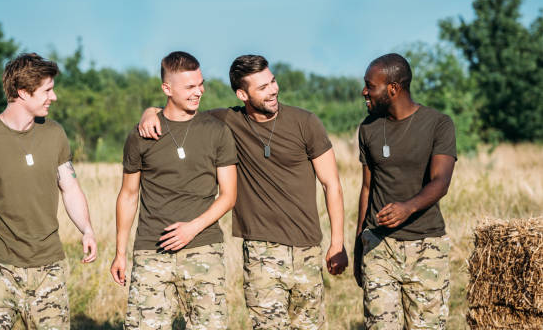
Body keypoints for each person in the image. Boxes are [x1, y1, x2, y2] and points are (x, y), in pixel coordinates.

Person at [139, 54, 348, 330]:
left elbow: (331, 184)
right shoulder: (227, 121)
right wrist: (150, 111)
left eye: (272, 82)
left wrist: (337, 242)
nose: (272, 90)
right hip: (261, 250)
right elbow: (180, 112)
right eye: (262, 87)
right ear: (242, 94)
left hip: (307, 248)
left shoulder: (306, 123)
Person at [0, 53, 97, 328]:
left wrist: (87, 229)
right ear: (22, 92)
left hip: (48, 270)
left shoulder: (55, 134)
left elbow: (70, 187)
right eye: (47, 91)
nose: (53, 98)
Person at [110, 51, 238, 330]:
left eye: (200, 84)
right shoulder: (141, 135)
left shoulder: (217, 131)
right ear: (167, 89)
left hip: (204, 249)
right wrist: (120, 252)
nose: (199, 92)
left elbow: (229, 195)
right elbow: (129, 195)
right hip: (150, 251)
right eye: (190, 87)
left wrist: (192, 228)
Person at [354, 53, 457, 329]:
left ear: (393, 88)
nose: (364, 91)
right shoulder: (368, 129)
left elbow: (441, 181)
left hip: (426, 246)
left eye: (369, 85)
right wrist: (357, 246)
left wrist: (407, 207)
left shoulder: (439, 124)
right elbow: (367, 188)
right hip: (378, 246)